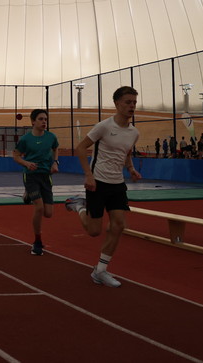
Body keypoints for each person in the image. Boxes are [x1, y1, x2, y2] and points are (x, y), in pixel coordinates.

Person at [65, 86, 141, 287]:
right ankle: (79, 206)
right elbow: (81, 148)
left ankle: (100, 270)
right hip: (98, 182)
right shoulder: (104, 127)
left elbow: (126, 152)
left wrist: (131, 168)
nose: (132, 106)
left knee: (119, 225)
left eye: (134, 102)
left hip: (118, 184)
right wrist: (88, 175)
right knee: (94, 231)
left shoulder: (134, 132)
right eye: (128, 102)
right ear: (117, 104)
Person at [12, 109, 60, 256]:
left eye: (45, 119)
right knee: (39, 207)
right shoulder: (26, 139)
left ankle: (28, 194)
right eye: (40, 119)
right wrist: (26, 164)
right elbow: (16, 155)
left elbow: (55, 148)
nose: (44, 121)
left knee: (48, 213)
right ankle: (37, 241)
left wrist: (55, 162)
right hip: (31, 176)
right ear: (33, 121)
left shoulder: (51, 137)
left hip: (46, 176)